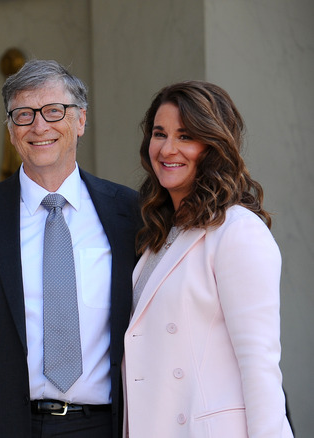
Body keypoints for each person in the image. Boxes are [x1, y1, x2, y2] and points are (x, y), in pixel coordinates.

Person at [0, 59, 142, 438]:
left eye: (54, 111)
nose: (39, 126)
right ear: (10, 129)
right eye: (23, 114)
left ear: (80, 120)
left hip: (103, 426)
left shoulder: (130, 213)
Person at [123, 81, 294, 437]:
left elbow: (259, 365)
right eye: (160, 133)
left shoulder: (238, 231)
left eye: (185, 136)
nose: (168, 149)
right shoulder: (161, 234)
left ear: (213, 146)